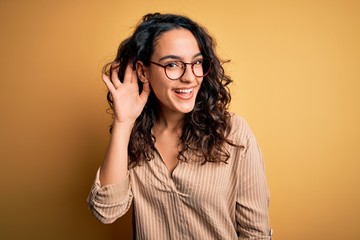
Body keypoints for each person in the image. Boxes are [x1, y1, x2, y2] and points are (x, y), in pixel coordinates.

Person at [87, 12, 272, 239]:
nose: (189, 77)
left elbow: (256, 234)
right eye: (172, 64)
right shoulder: (133, 135)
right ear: (144, 72)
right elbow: (106, 210)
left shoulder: (233, 132)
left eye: (196, 62)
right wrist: (123, 122)